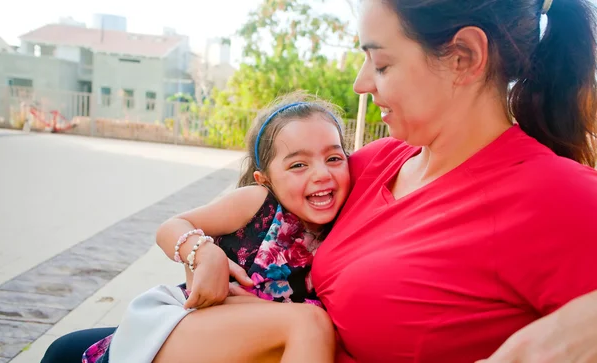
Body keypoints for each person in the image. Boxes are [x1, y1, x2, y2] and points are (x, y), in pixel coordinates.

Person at [42, 0, 597, 361]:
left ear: (464, 58)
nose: (359, 83)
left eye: (380, 64)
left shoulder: (557, 198)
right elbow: (269, 198)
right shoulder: (377, 161)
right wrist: (199, 249)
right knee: (68, 349)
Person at [79, 92, 350, 363]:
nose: (322, 174)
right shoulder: (258, 203)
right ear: (265, 179)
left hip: (265, 346)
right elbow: (170, 227)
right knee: (311, 322)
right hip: (201, 331)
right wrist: (205, 252)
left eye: (334, 159)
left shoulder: (347, 222)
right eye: (298, 165)